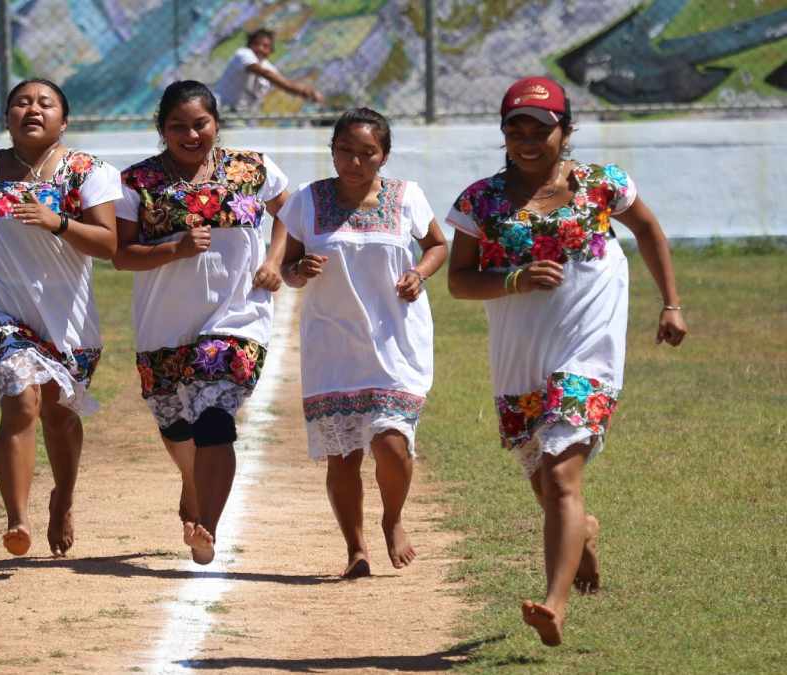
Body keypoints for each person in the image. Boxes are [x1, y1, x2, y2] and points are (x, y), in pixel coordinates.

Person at [445, 76, 687, 646]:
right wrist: (515, 277)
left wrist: (671, 304)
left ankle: (553, 606)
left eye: (541, 128)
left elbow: (648, 228)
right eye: (515, 129)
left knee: (560, 474)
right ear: (503, 134)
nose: (528, 140)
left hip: (589, 352)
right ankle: (585, 535)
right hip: (519, 359)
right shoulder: (479, 199)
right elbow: (458, 282)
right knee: (548, 482)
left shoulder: (603, 185)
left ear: (566, 130)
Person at [0, 78, 120, 558]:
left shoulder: (89, 171)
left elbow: (108, 243)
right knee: (21, 402)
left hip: (66, 318)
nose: (32, 109)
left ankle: (62, 498)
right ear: (7, 117)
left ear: (65, 119)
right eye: (21, 102)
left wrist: (56, 221)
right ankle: (17, 518)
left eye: (45, 103)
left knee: (61, 416)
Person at [113, 80, 289, 565]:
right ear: (161, 129)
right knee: (176, 426)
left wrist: (275, 260)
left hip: (238, 317)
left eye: (200, 124)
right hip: (163, 326)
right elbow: (122, 256)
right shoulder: (136, 182)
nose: (190, 135)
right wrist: (175, 247)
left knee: (215, 419)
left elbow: (291, 212)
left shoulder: (252, 168)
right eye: (177, 127)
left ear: (216, 123)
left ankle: (207, 525)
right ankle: (192, 483)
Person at [278, 108, 447, 578]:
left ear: (384, 156)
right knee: (344, 455)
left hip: (396, 342)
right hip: (334, 346)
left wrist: (419, 272)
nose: (354, 162)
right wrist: (299, 270)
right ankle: (356, 549)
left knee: (393, 444)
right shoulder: (307, 202)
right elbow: (289, 268)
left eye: (366, 153)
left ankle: (392, 519)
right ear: (332, 151)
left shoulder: (407, 196)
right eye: (345, 151)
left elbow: (438, 245)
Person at [213, 28, 325, 112]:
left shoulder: (268, 67)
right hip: (221, 109)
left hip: (243, 113)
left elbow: (284, 84)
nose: (260, 48)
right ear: (249, 45)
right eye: (256, 44)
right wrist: (303, 91)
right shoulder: (243, 54)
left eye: (265, 46)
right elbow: (266, 74)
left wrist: (309, 92)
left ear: (271, 51)